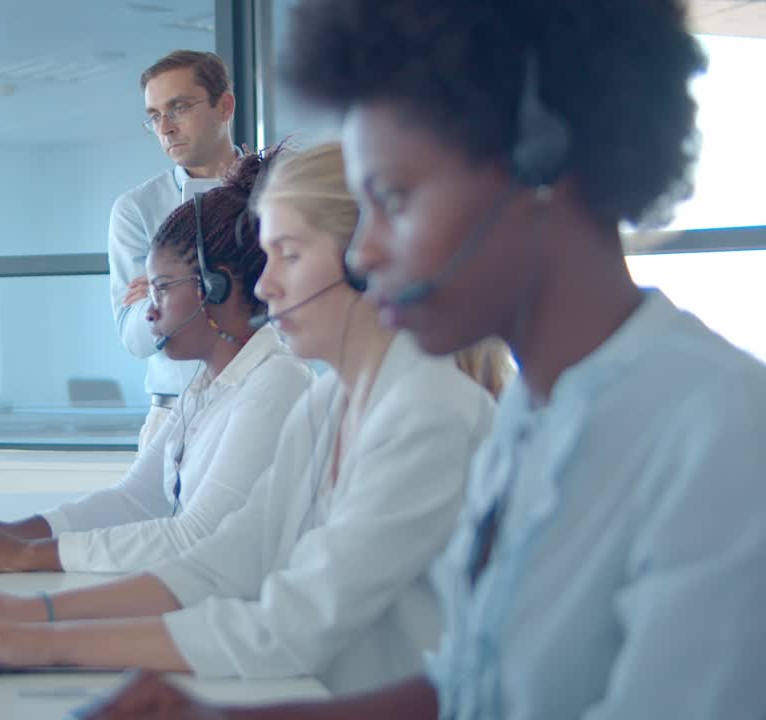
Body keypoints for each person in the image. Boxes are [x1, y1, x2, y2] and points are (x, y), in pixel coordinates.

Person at [74, 0, 766, 718]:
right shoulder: (534, 414)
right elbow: (474, 689)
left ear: (541, 166)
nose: (365, 254)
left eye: (395, 200)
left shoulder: (717, 431)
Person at [0, 144, 498, 695]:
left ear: (367, 262)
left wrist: (38, 641)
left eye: (289, 255)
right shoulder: (329, 403)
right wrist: (27, 614)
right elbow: (225, 559)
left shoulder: (427, 415)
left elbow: (287, 627)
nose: (265, 285)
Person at [0, 152, 313, 573]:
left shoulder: (277, 383)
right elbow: (135, 499)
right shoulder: (207, 386)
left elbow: (198, 535)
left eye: (162, 289)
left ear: (214, 287)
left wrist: (25, 556)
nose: (149, 311)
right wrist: (11, 532)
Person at [110, 50, 242, 450]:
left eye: (179, 108)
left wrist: (163, 288)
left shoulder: (276, 191)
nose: (165, 128)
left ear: (225, 106)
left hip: (269, 401)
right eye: (154, 116)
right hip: (174, 418)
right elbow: (138, 339)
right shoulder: (135, 209)